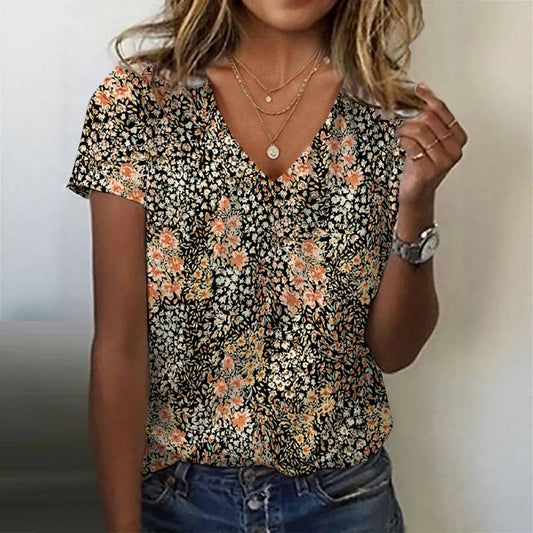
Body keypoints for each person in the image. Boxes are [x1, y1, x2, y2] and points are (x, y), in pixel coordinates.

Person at [65, 0, 467, 531]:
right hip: (175, 501)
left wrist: (417, 203)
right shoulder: (139, 105)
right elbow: (119, 348)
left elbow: (394, 352)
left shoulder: (389, 117)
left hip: (343, 501)